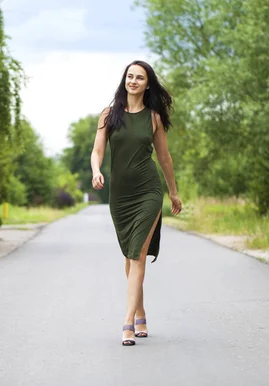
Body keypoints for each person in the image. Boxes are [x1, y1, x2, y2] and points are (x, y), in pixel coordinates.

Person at [90, 60, 182, 346]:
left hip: (148, 191)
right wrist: (96, 170)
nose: (133, 81)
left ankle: (128, 322)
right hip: (120, 196)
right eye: (130, 76)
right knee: (130, 256)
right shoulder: (109, 115)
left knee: (137, 255)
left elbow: (164, 158)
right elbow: (97, 150)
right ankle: (140, 312)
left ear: (147, 84)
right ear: (124, 81)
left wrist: (173, 193)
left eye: (139, 77)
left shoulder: (153, 118)